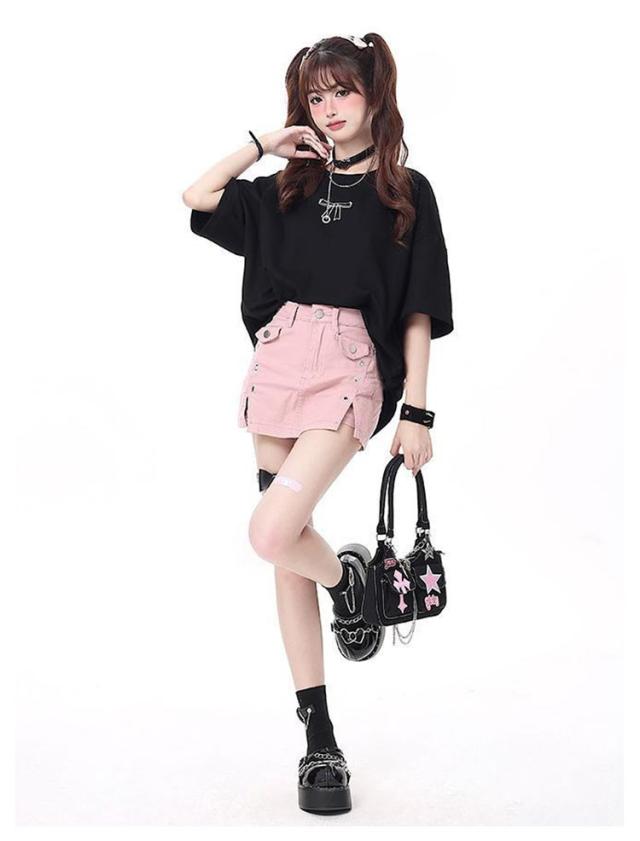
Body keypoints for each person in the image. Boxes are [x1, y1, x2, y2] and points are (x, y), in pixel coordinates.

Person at [182, 32, 454, 815]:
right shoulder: (286, 189)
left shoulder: (406, 191)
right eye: (314, 96)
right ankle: (320, 736)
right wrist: (265, 143)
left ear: (374, 93)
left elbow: (418, 309)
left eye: (342, 91)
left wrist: (417, 411)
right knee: (285, 552)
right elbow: (197, 196)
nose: (328, 108)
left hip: (348, 372)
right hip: (277, 364)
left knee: (272, 531)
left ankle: (349, 582)